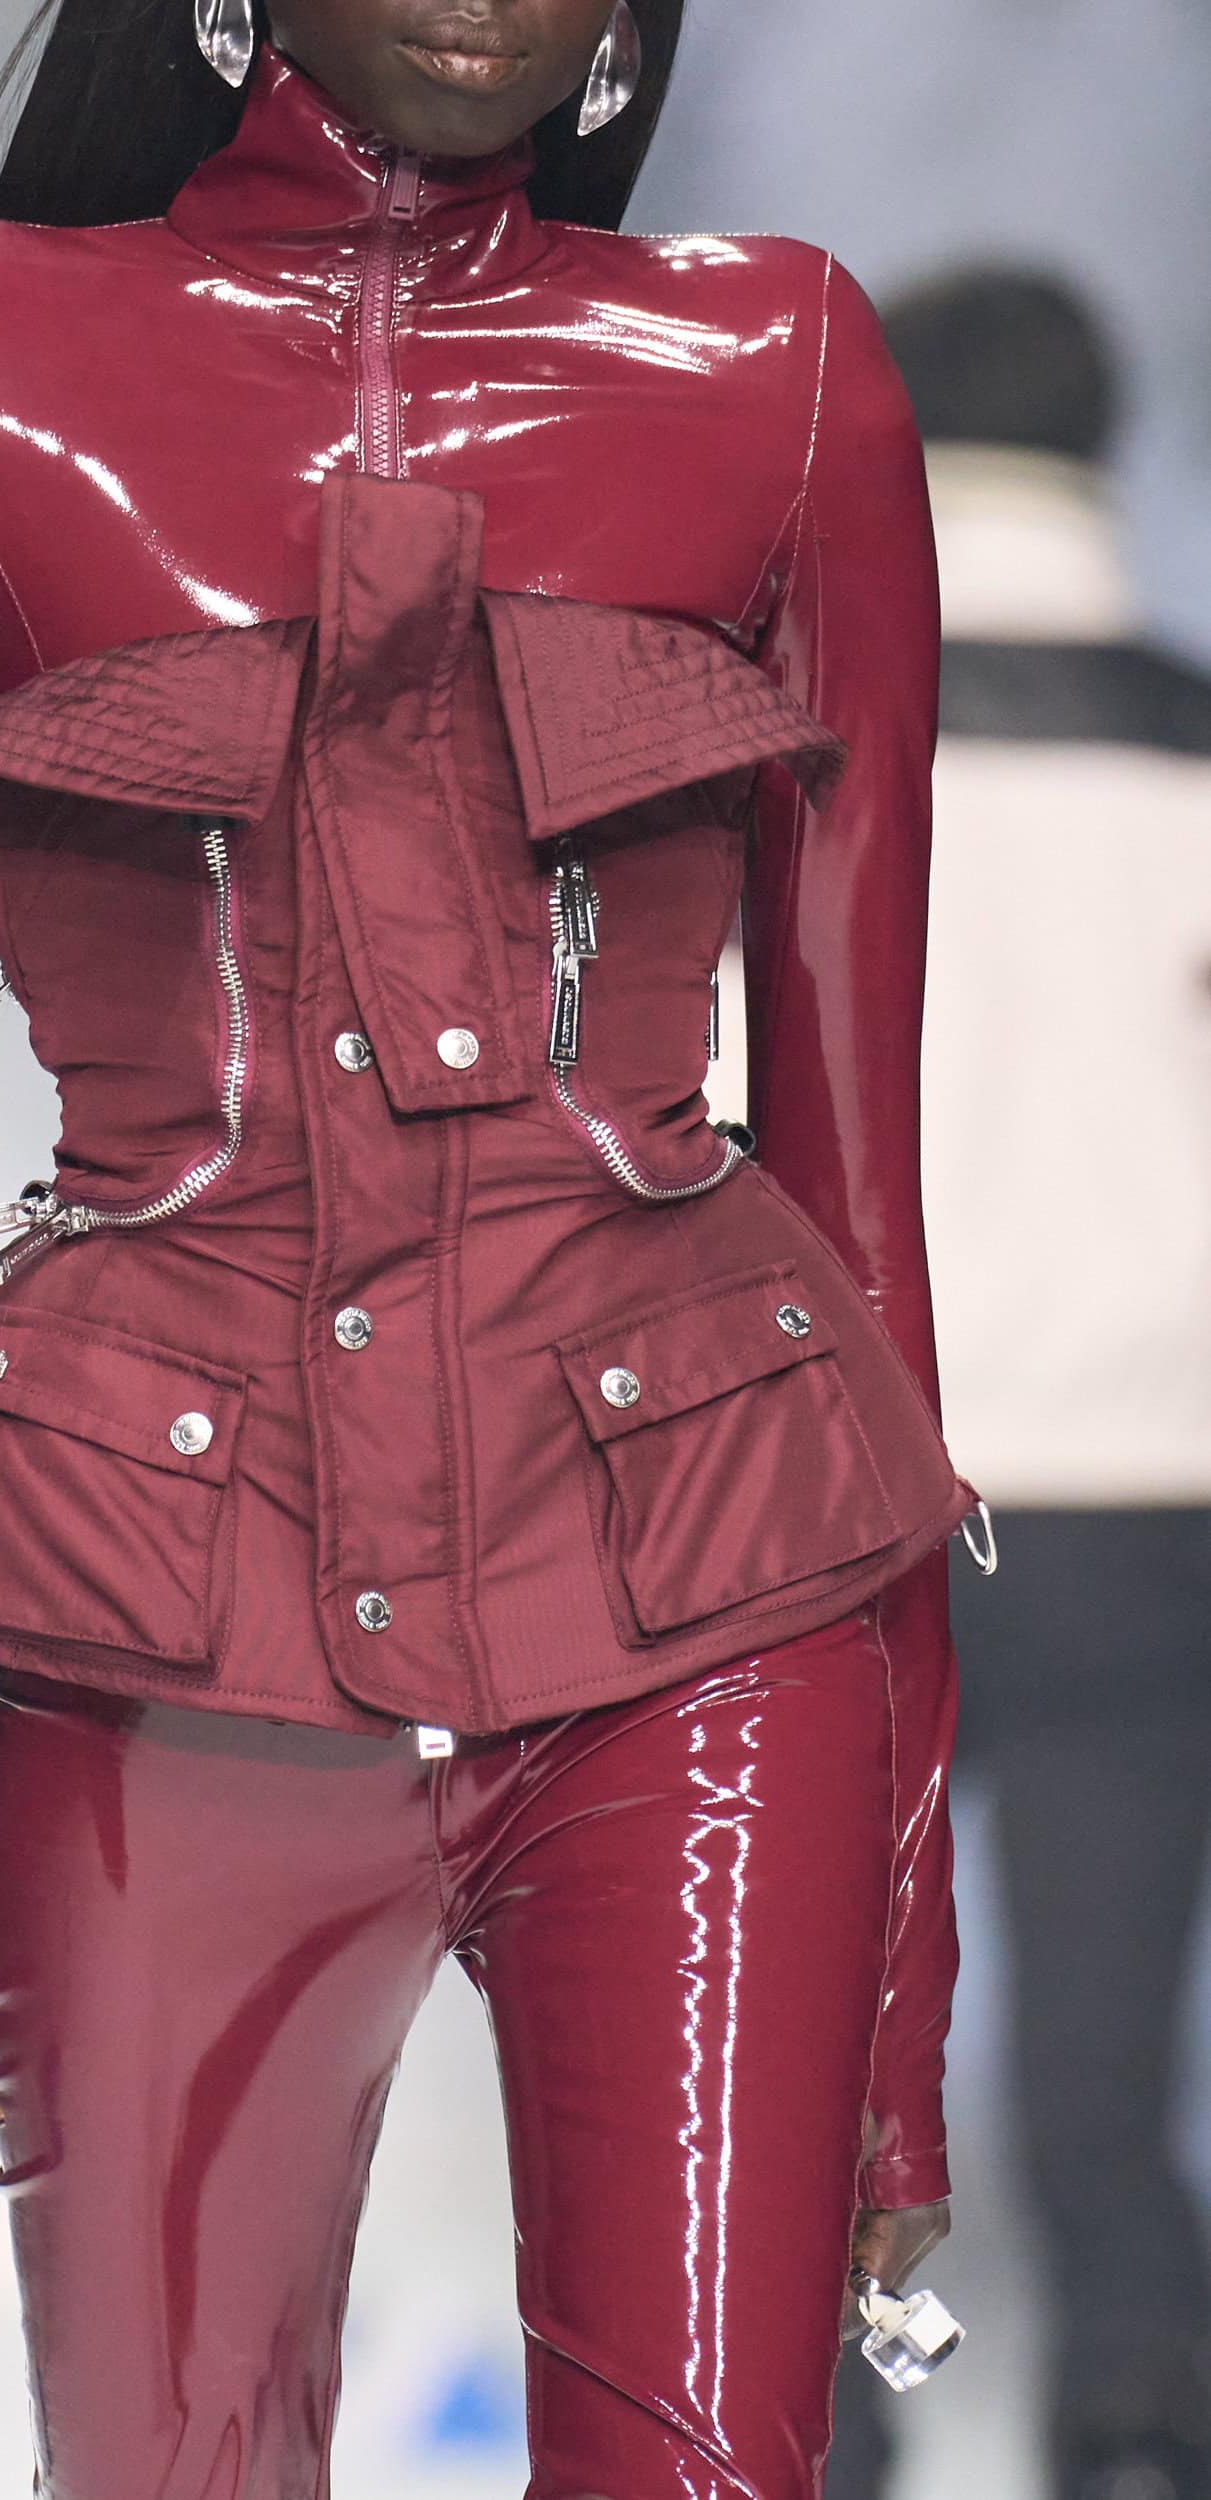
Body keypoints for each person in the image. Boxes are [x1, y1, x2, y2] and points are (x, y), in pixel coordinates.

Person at [0, 5, 980, 2492]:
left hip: (705, 1630)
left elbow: (859, 1215)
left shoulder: (778, 367)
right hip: (172, 1640)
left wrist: (896, 2010)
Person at [822, 271, 1211, 2500]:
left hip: (845, 1487)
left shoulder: (793, 745)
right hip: (1155, 1482)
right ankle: (1136, 2412)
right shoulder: (1197, 750)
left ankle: (806, 2428)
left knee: (798, 2042)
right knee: (1104, 2065)